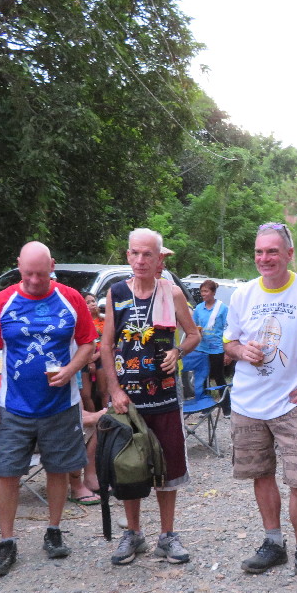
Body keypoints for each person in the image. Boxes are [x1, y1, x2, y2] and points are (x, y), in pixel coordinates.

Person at [224, 222, 297, 586]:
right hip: (247, 403)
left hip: (291, 403)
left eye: (272, 251)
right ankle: (273, 543)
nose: (265, 258)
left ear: (289, 254)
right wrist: (240, 350)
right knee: (261, 474)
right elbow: (228, 342)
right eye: (259, 252)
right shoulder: (242, 294)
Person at [0, 241, 96, 577]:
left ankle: (54, 530)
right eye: (27, 273)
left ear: (52, 267)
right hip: (14, 404)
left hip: (60, 404)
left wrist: (70, 370)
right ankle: (6, 541)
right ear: (18, 265)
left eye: (40, 274)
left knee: (58, 469)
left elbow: (88, 343)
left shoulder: (71, 299)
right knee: (7, 471)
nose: (33, 280)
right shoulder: (3, 301)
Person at [100, 228, 200, 567]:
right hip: (127, 400)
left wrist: (178, 350)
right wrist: (114, 390)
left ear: (159, 259)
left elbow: (194, 334)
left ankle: (167, 535)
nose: (141, 260)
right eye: (135, 253)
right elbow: (106, 345)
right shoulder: (116, 292)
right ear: (128, 255)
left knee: (168, 465)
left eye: (148, 254)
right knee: (128, 466)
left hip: (165, 395)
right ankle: (133, 533)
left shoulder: (171, 292)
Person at [192, 279, 230, 415]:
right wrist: (197, 332)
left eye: (206, 291)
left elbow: (228, 329)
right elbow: (194, 326)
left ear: (213, 292)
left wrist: (228, 352)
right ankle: (205, 407)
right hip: (201, 348)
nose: (203, 294)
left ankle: (227, 409)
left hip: (217, 348)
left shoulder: (223, 308)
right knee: (202, 378)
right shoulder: (198, 308)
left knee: (219, 378)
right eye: (201, 291)